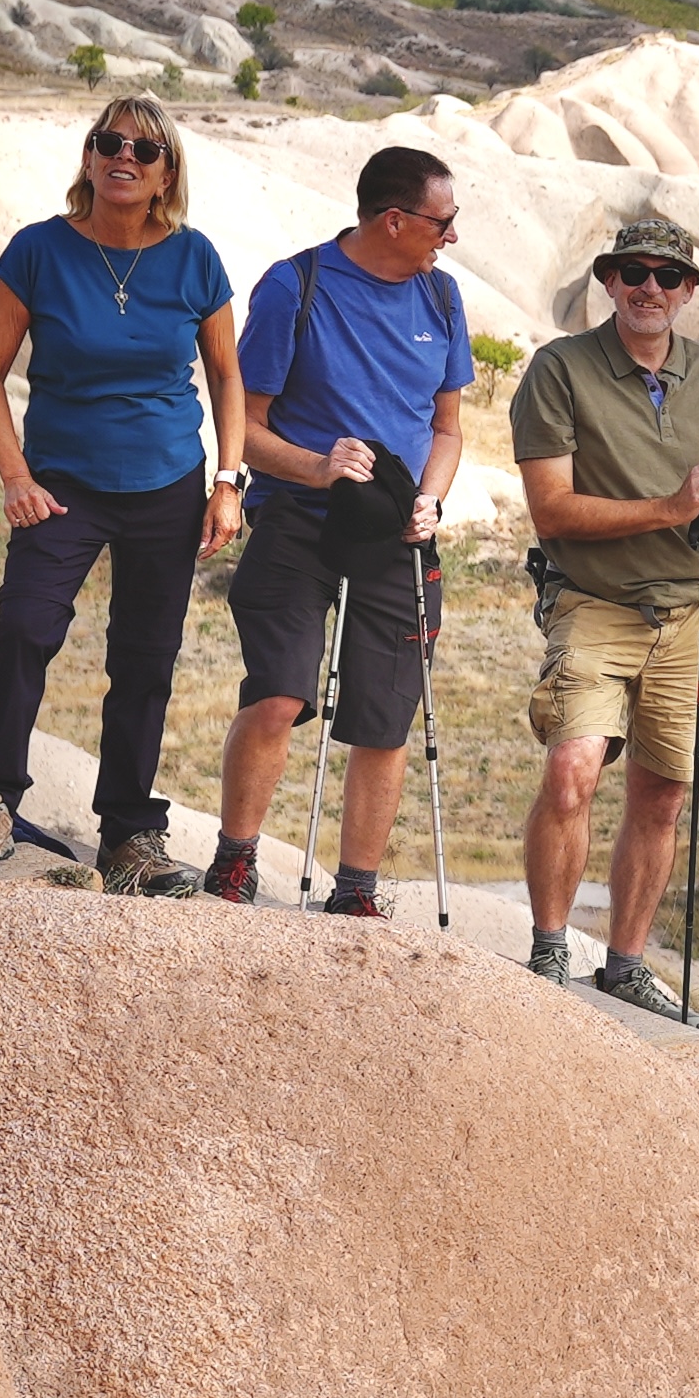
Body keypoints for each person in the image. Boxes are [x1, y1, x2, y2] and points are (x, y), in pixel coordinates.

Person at [0, 98, 243, 895]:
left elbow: (228, 379)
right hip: (62, 485)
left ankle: (130, 836)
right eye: (109, 143)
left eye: (144, 150)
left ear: (166, 171)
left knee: (145, 659)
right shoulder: (38, 251)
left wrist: (228, 482)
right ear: (89, 156)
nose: (124, 158)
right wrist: (15, 475)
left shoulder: (194, 257)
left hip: (168, 484)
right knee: (24, 633)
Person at [207, 144, 474, 915]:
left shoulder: (446, 302)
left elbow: (448, 428)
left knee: (383, 719)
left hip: (399, 531)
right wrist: (317, 467)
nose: (450, 236)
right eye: (442, 221)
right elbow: (243, 429)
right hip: (298, 521)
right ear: (394, 220)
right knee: (279, 696)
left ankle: (356, 892)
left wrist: (431, 498)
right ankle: (234, 864)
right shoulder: (298, 286)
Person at [507, 215, 699, 1010]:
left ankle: (625, 963)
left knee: (663, 794)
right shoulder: (559, 370)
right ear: (608, 282)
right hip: (593, 603)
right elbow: (551, 511)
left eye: (669, 276)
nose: (651, 287)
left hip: (690, 613)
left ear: (689, 292)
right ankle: (549, 953)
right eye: (634, 272)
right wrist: (671, 506)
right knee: (573, 770)